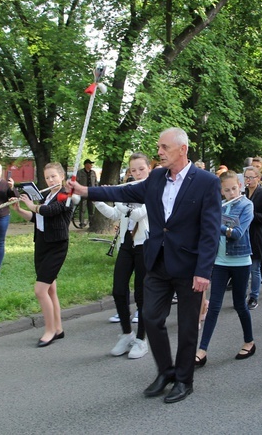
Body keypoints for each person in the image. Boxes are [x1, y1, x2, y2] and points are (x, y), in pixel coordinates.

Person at [68, 127, 221, 404]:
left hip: (189, 267)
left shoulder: (206, 182)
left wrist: (203, 271)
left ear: (182, 149)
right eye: (159, 147)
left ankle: (184, 380)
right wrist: (86, 190)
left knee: (187, 326)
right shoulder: (157, 177)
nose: (159, 152)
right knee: (150, 317)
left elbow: (211, 231)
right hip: (158, 261)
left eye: (164, 147)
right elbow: (121, 191)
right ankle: (166, 371)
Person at [93, 153, 151, 359]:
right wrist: (98, 199)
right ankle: (127, 334)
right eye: (133, 170)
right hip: (126, 245)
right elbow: (116, 215)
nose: (137, 174)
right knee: (118, 289)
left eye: (141, 169)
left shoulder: (152, 189)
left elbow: (137, 214)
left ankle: (142, 340)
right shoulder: (128, 190)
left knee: (142, 295)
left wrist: (117, 196)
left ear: (149, 169)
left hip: (145, 246)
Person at [195, 170, 255, 366]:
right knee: (214, 307)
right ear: (221, 191)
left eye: (234, 188)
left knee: (240, 305)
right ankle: (202, 350)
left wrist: (213, 222)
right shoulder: (220, 206)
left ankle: (249, 341)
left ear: (239, 185)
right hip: (219, 262)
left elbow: (237, 233)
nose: (231, 193)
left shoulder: (247, 205)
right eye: (227, 190)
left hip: (240, 261)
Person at [14, 162, 73, 346]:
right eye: (47, 177)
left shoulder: (66, 194)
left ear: (62, 176)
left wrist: (31, 204)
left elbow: (49, 211)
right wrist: (20, 209)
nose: (50, 180)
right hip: (42, 244)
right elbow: (36, 218)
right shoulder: (47, 195)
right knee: (50, 289)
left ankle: (49, 331)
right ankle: (58, 328)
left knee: (40, 290)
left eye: (54, 176)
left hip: (57, 246)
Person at [244, 166, 262, 309]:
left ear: (258, 178)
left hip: (257, 235)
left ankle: (254, 296)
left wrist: (249, 212)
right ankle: (242, 295)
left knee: (255, 269)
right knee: (244, 269)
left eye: (251, 177)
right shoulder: (244, 192)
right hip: (244, 234)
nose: (248, 180)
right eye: (246, 177)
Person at [75, 159, 98, 227]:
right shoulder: (80, 172)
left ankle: (91, 223)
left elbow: (96, 182)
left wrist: (96, 190)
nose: (91, 165)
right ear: (86, 165)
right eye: (90, 164)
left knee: (91, 209)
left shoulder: (93, 172)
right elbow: (77, 182)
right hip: (83, 193)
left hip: (91, 193)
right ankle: (82, 223)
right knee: (82, 209)